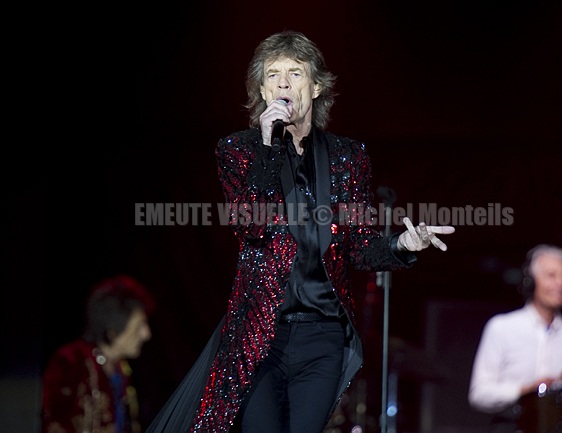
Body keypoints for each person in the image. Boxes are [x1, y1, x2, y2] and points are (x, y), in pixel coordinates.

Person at [145, 30, 455, 433]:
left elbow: (359, 247)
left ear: (316, 86)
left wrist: (403, 243)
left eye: (294, 73)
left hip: (322, 335)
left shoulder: (348, 156)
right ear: (261, 90)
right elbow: (251, 226)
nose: (283, 84)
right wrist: (267, 146)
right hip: (259, 337)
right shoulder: (238, 150)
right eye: (272, 75)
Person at [468, 244, 562, 433]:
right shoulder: (501, 327)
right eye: (551, 275)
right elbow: (479, 394)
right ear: (530, 281)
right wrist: (527, 390)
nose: (561, 283)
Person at [41, 274, 155, 433]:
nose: (146, 334)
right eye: (139, 326)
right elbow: (53, 424)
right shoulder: (70, 361)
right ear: (113, 331)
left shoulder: (121, 369)